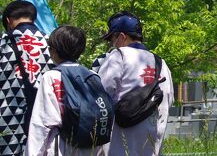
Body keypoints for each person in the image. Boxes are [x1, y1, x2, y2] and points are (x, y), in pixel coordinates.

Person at [95, 11, 173, 156]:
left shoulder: (118, 56)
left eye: (112, 39)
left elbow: (100, 97)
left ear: (122, 37)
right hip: (152, 147)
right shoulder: (161, 63)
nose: (112, 44)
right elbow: (168, 101)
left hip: (119, 146)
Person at [25, 25, 102, 156]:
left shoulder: (51, 76)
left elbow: (42, 122)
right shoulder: (92, 76)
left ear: (54, 51)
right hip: (90, 146)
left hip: (60, 146)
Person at [0, 0, 53, 156]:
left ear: (9, 21)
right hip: (45, 120)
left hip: (9, 121)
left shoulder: (3, 43)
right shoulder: (52, 42)